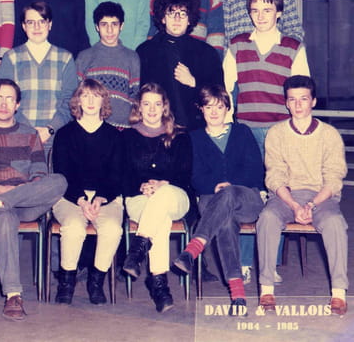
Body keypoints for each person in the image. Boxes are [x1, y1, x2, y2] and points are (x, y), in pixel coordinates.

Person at [0, 79, 67, 321]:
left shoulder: (30, 134)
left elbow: (40, 176)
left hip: (26, 203)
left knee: (59, 181)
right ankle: (13, 295)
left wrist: (14, 194)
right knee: (5, 219)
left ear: (18, 105)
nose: (4, 104)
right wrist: (0, 192)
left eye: (10, 99)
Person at [256, 75, 348, 316]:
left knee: (335, 222)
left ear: (313, 101)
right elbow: (274, 176)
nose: (298, 105)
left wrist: (310, 204)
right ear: (286, 103)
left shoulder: (329, 134)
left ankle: (339, 293)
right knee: (267, 218)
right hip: (286, 196)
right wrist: (295, 205)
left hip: (321, 197)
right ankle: (266, 289)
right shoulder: (276, 133)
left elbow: (334, 178)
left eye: (303, 99)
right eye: (292, 100)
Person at [172, 85, 264, 314]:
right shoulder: (193, 138)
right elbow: (194, 176)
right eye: (208, 107)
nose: (214, 112)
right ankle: (238, 296)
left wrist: (229, 185)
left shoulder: (242, 132)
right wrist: (214, 186)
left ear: (227, 109)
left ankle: (194, 247)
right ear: (201, 109)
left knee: (229, 194)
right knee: (224, 223)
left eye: (219, 106)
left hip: (247, 198)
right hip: (210, 198)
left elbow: (255, 169)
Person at [121, 83, 192, 313]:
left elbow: (186, 175)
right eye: (146, 104)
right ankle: (159, 285)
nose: (152, 109)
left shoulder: (180, 136)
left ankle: (137, 251)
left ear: (164, 107)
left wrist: (163, 183)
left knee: (162, 198)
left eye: (157, 104)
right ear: (139, 107)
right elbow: (121, 175)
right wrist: (140, 185)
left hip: (175, 195)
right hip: (138, 198)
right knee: (160, 220)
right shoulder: (127, 137)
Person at [51, 79, 123, 305]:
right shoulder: (64, 134)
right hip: (70, 196)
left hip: (105, 197)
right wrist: (82, 200)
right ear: (78, 101)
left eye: (96, 96)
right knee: (73, 227)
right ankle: (67, 282)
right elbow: (62, 174)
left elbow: (117, 175)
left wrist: (100, 198)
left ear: (103, 101)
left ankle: (96, 281)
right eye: (85, 96)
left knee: (112, 229)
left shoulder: (115, 136)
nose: (90, 101)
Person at [223, 0, 309, 151]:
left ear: (279, 13)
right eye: (255, 11)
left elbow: (302, 92)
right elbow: (226, 86)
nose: (260, 16)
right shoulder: (237, 44)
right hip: (246, 128)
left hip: (282, 127)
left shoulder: (294, 47)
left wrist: (300, 125)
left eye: (267, 10)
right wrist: (227, 121)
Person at [0, 1, 77, 157]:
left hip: (56, 138)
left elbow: (70, 100)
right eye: (30, 22)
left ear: (50, 24)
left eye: (41, 21)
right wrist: (29, 131)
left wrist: (50, 129)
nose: (36, 27)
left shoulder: (65, 58)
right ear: (23, 26)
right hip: (19, 137)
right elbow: (5, 100)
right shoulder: (11, 58)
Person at [137, 0, 223, 130]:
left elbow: (220, 95)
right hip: (158, 128)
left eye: (183, 14)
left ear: (189, 19)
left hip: (197, 129)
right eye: (171, 13)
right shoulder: (145, 51)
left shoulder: (207, 53)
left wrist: (194, 82)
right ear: (163, 18)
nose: (177, 19)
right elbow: (139, 95)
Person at [76, 1, 140, 129]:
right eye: (104, 24)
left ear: (121, 26)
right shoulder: (84, 57)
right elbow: (77, 96)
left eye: (114, 24)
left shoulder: (132, 57)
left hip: (122, 128)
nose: (109, 30)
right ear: (97, 27)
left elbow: (135, 96)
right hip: (91, 126)